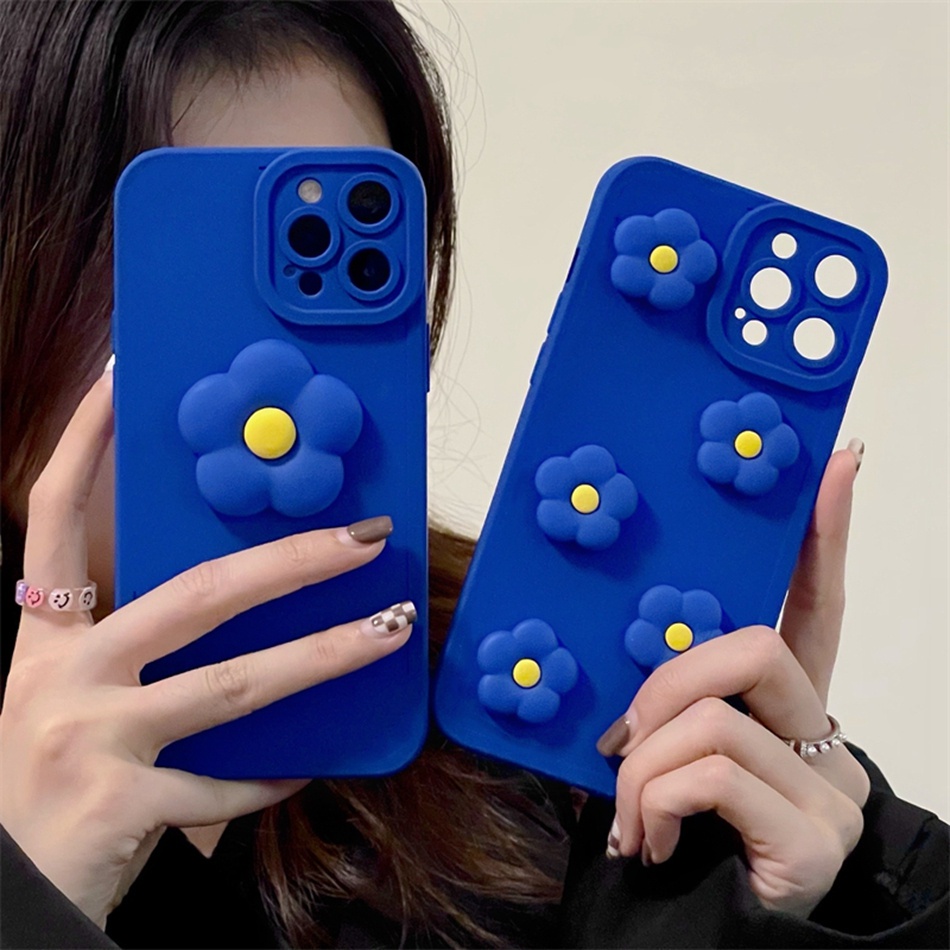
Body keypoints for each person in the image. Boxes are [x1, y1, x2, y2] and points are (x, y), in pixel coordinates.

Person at [0, 2, 946, 948]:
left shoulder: (533, 719)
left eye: (341, 249)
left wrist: (833, 891)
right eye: (176, 273)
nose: (275, 375)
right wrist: (27, 902)